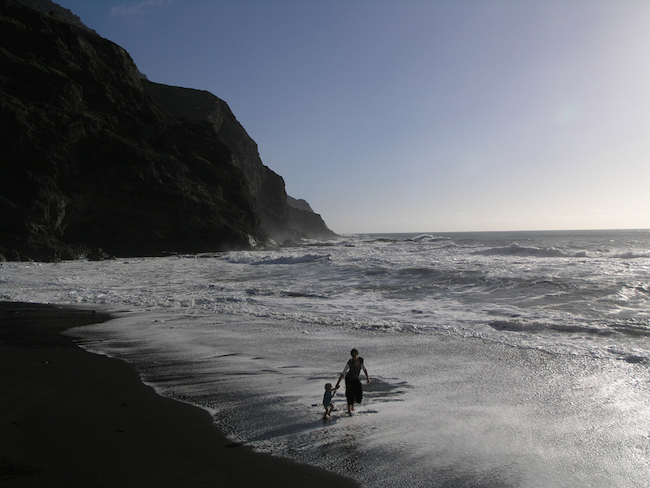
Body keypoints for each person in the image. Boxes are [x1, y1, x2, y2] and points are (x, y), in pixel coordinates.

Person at [334, 348, 370, 415]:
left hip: (356, 379)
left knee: (359, 398)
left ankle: (352, 404)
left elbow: (364, 369)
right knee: (349, 395)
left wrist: (368, 378)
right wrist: (338, 383)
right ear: (351, 356)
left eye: (356, 355)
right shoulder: (350, 362)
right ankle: (349, 410)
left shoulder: (360, 361)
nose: (355, 357)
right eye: (353, 355)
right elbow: (343, 373)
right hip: (349, 379)